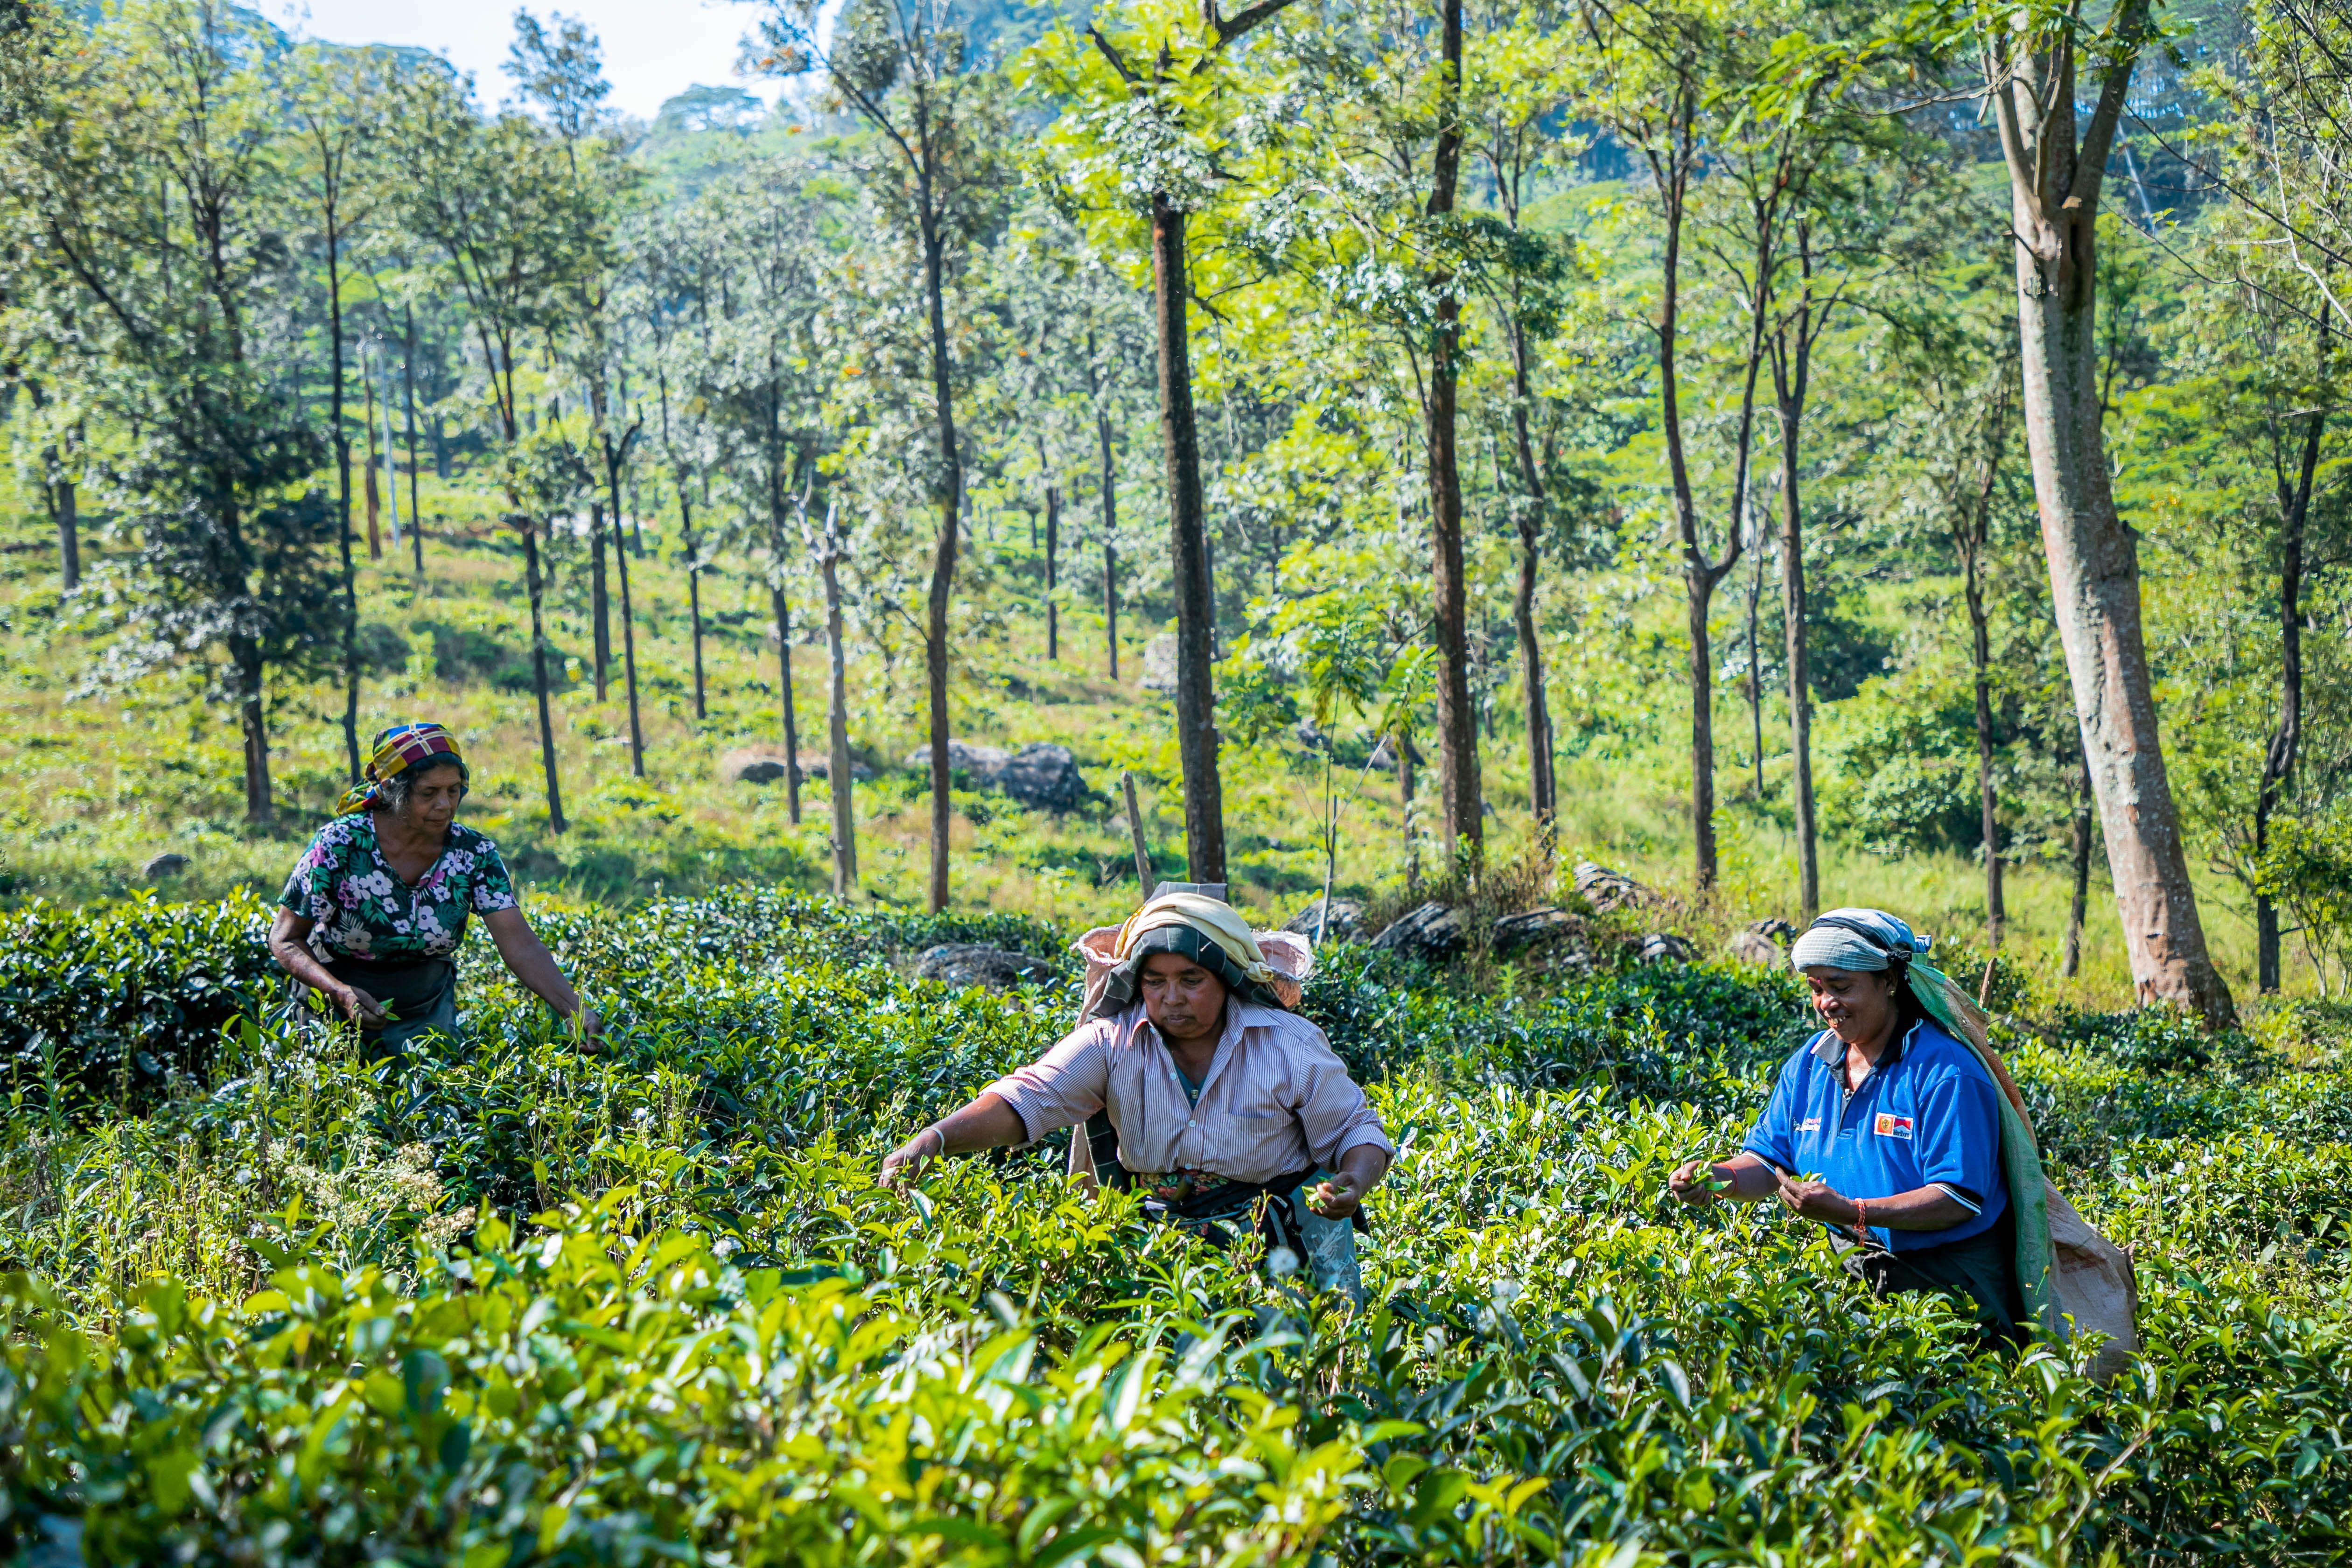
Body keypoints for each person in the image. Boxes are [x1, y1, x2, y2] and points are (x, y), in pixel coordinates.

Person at [879, 892, 1393, 1299]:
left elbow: (1356, 1128)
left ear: (1226, 979)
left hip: (1281, 1245)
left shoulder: (1286, 1044)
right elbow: (1029, 1096)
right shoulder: (1113, 1043)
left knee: (1286, 1389)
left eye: (1191, 980)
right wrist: (936, 1138)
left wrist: (1356, 1181)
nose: (1172, 998)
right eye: (1155, 981)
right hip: (1165, 1247)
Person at [1668, 909, 2051, 1344]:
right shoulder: (1810, 1063)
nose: (1826, 1002)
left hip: (1951, 1287)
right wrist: (1718, 1179)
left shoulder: (1945, 1072)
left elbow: (1957, 1199)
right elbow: (1768, 1159)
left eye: (1841, 986)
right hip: (1856, 1273)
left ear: (1889, 981)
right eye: (1816, 988)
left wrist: (1854, 1213)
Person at [268, 721, 599, 1058]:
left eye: (453, 791)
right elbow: (285, 939)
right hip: (337, 1007)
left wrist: (574, 1008)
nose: (444, 805)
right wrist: (338, 992)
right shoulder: (341, 845)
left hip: (426, 1009)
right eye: (429, 794)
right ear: (394, 791)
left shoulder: (472, 853)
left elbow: (520, 945)